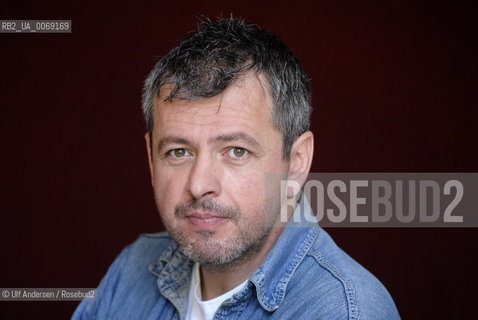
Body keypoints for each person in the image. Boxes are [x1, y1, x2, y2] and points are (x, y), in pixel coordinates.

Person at [72, 17, 400, 319]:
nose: (199, 184)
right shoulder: (132, 269)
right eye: (178, 152)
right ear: (150, 158)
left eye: (236, 151)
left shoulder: (345, 311)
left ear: (297, 162)